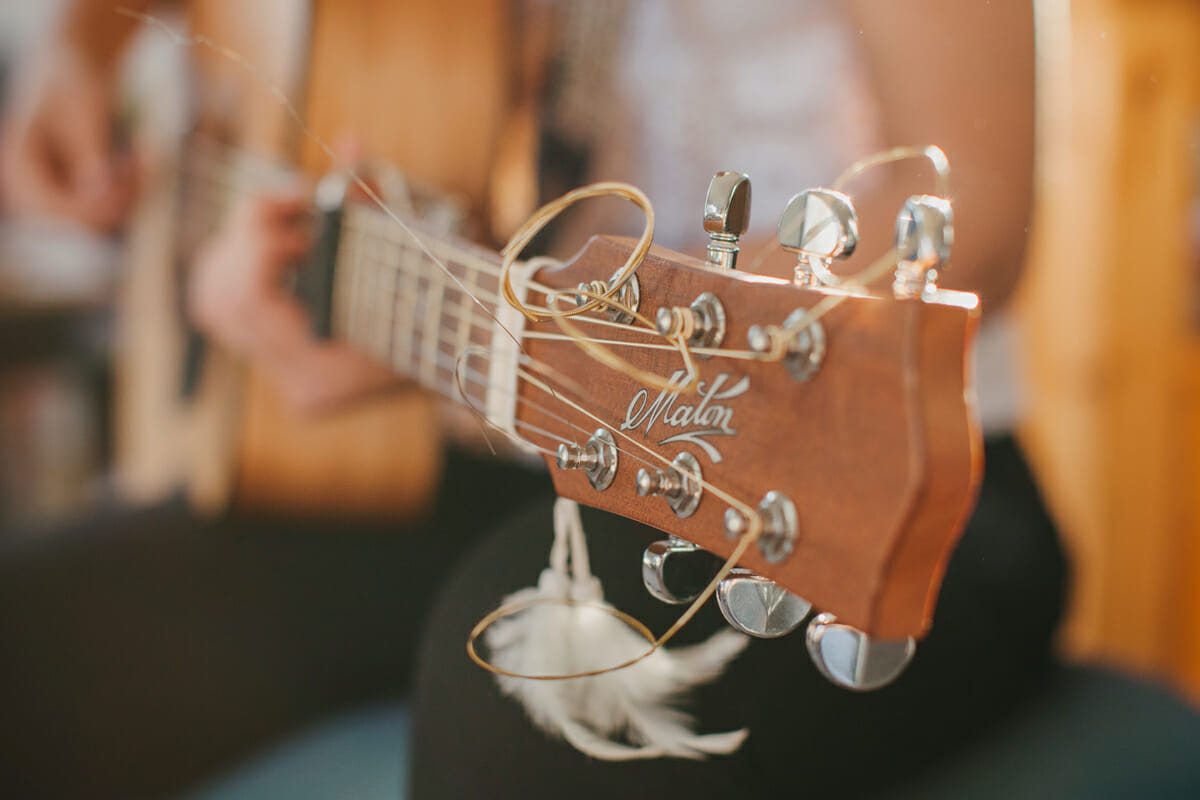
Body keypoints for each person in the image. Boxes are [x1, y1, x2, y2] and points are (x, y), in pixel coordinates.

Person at [7, 1, 1175, 798]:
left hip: (877, 495)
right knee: (34, 638)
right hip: (508, 440)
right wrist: (79, 52)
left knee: (538, 689)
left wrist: (593, 309)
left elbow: (968, 219)